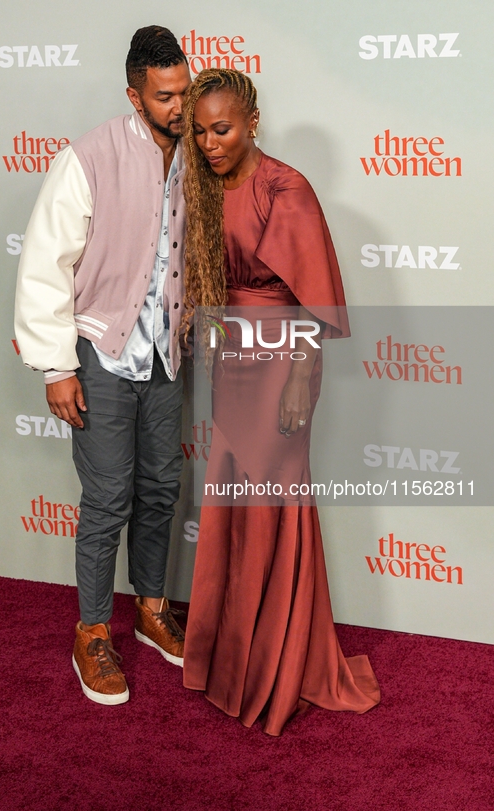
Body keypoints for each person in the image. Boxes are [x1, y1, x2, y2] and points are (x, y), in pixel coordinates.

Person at [181, 69, 380, 736]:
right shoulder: (207, 184)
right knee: (233, 499)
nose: (210, 142)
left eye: (223, 128)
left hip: (280, 365)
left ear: (253, 120)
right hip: (231, 359)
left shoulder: (283, 187)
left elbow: (312, 297)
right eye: (201, 130)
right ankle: (231, 659)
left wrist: (301, 375)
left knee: (270, 504)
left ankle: (272, 666)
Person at [14, 26, 191, 705]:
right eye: (165, 96)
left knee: (158, 489)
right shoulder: (88, 156)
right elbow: (44, 263)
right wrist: (57, 366)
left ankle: (150, 608)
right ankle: (91, 630)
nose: (178, 106)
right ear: (134, 94)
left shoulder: (196, 157)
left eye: (184, 90)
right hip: (101, 353)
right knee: (108, 497)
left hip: (165, 355)